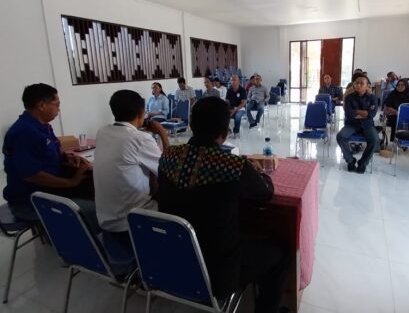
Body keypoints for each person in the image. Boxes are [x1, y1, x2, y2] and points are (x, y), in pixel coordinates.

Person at [157, 97, 288, 313]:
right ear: (225, 132)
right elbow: (265, 192)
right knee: (279, 253)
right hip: (219, 270)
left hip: (174, 259)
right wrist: (256, 170)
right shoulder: (232, 165)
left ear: (191, 125)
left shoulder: (168, 156)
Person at [2, 83, 93, 220]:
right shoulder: (25, 132)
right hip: (31, 202)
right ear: (42, 106)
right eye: (57, 105)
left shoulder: (42, 126)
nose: (59, 110)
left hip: (48, 191)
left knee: (92, 185)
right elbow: (32, 175)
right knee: (97, 208)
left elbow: (50, 152)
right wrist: (71, 182)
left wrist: (67, 157)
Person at [94, 90, 170, 238]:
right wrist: (161, 133)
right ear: (141, 112)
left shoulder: (102, 132)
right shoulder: (141, 138)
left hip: (106, 220)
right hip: (131, 221)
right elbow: (169, 170)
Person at [337, 74, 379, 173]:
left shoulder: (372, 98)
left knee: (375, 140)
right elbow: (349, 114)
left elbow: (372, 114)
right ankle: (350, 161)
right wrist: (364, 113)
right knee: (340, 136)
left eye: (362, 83)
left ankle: (363, 163)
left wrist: (356, 111)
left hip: (367, 124)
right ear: (354, 85)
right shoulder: (349, 97)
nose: (359, 85)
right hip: (352, 124)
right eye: (357, 83)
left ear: (367, 86)